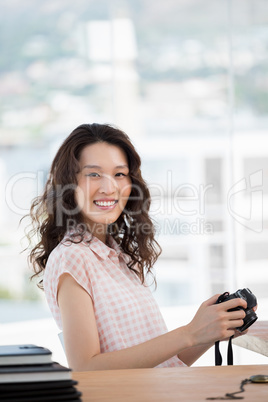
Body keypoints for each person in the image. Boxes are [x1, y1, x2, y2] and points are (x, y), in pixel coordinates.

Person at [27, 123, 252, 371]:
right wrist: (189, 332)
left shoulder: (119, 258)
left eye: (119, 174)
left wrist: (207, 331)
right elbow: (86, 368)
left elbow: (161, 365)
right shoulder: (72, 257)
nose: (109, 187)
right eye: (94, 174)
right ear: (69, 184)